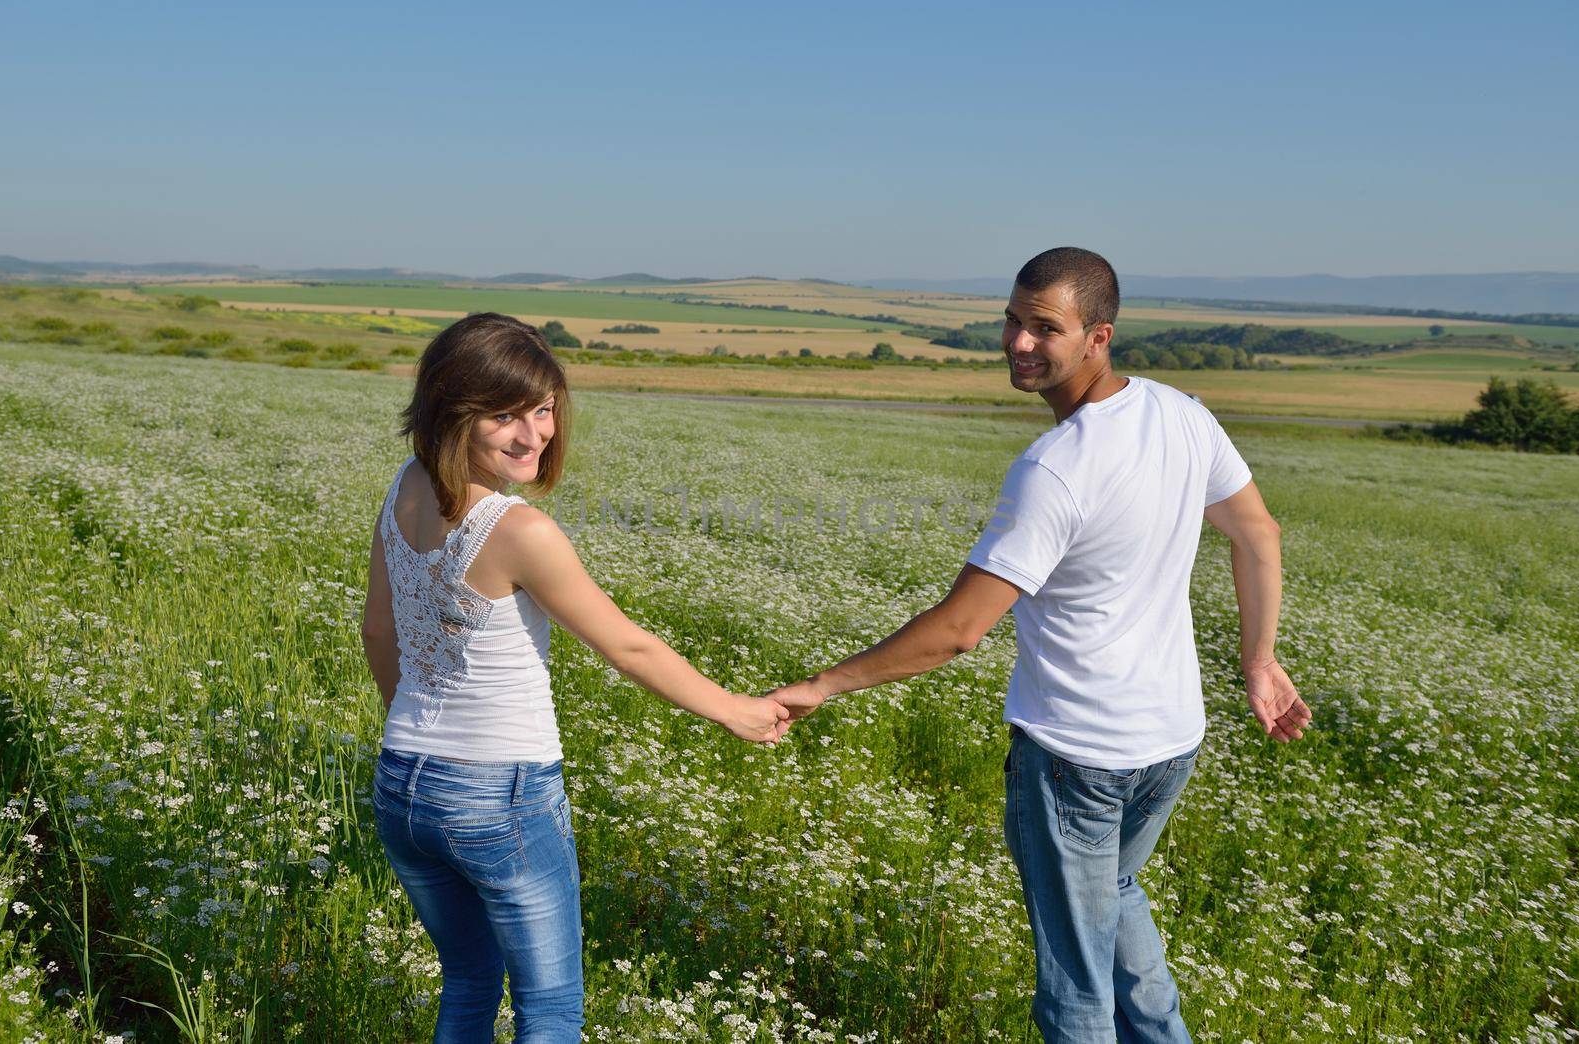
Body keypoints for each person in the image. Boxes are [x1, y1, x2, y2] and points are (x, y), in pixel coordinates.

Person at [769, 248, 1310, 1043]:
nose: (1020, 343)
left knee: (1074, 988)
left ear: (1099, 335)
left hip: (1076, 755)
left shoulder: (1055, 469)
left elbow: (958, 631)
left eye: (1044, 328)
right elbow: (1255, 532)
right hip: (1169, 743)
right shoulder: (1182, 413)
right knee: (1116, 894)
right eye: (1013, 321)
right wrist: (1257, 660)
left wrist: (820, 685)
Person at [361, 312, 789, 1043]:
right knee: (551, 1013)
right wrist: (737, 712)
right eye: (504, 415)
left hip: (404, 785)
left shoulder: (404, 489)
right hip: (500, 791)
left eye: (543, 408)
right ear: (449, 409)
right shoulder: (518, 530)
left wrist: (424, 741)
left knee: (467, 982)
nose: (534, 434)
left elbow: (378, 631)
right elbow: (630, 648)